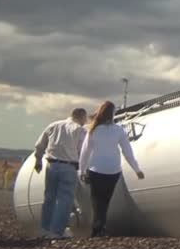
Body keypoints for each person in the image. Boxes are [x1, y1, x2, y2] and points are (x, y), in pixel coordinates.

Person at [78, 101, 144, 237]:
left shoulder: (93, 129)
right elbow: (127, 151)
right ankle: (99, 227)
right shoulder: (118, 130)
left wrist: (82, 170)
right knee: (105, 200)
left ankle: (98, 229)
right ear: (112, 114)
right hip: (113, 171)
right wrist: (136, 169)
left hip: (96, 170)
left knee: (97, 201)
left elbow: (85, 151)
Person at [34, 108, 88, 238]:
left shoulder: (53, 125)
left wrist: (38, 160)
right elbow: (82, 150)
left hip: (51, 165)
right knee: (65, 200)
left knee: (49, 198)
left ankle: (45, 229)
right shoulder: (79, 130)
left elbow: (39, 145)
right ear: (81, 117)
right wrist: (84, 168)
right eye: (85, 118)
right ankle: (57, 231)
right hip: (68, 167)